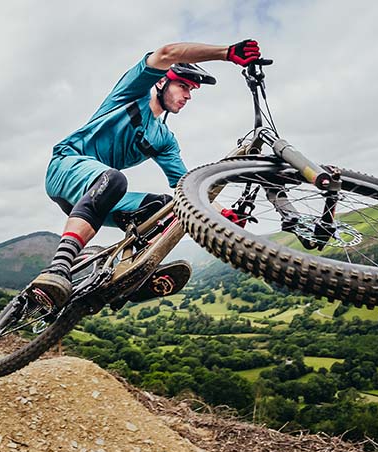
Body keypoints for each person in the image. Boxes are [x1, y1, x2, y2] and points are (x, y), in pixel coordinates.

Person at [30, 39, 261, 307]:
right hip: (67, 166)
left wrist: (221, 214)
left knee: (169, 208)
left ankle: (126, 281)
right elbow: (166, 53)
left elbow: (186, 187)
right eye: (183, 86)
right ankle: (57, 269)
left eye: (192, 91)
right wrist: (226, 53)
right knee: (115, 179)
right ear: (162, 82)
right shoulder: (131, 93)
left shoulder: (163, 139)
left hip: (99, 195)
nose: (188, 96)